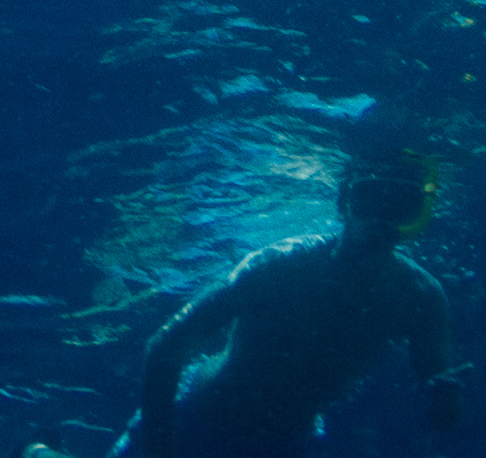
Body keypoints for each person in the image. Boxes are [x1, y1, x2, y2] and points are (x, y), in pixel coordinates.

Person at [129, 148, 465, 452]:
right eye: (369, 200)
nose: (381, 219)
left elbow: (442, 402)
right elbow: (163, 348)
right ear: (344, 202)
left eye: (401, 205)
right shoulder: (279, 267)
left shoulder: (422, 297)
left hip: (288, 444)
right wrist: (158, 449)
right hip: (192, 419)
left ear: (417, 215)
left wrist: (446, 401)